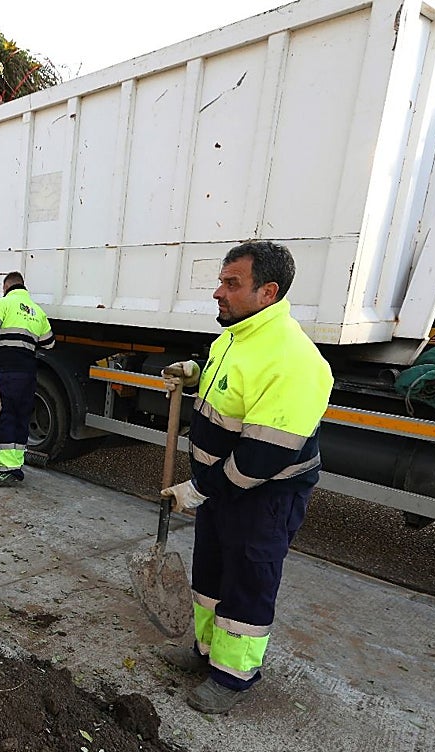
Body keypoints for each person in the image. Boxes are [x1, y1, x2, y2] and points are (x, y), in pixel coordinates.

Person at [159, 240, 333, 715]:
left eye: (231, 283)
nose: (218, 292)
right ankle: (205, 652)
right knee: (211, 572)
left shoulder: (294, 360)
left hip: (264, 496)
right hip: (224, 491)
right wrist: (196, 373)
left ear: (268, 291)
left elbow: (261, 457)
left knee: (249, 579)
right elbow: (234, 387)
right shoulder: (235, 336)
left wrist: (199, 489)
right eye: (221, 280)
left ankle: (233, 676)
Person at [0, 270, 54, 487]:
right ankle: (16, 465)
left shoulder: (3, 305)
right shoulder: (37, 311)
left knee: (5, 416)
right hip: (28, 373)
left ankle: (6, 471)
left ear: (6, 287)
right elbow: (49, 344)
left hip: (5, 371)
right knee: (22, 417)